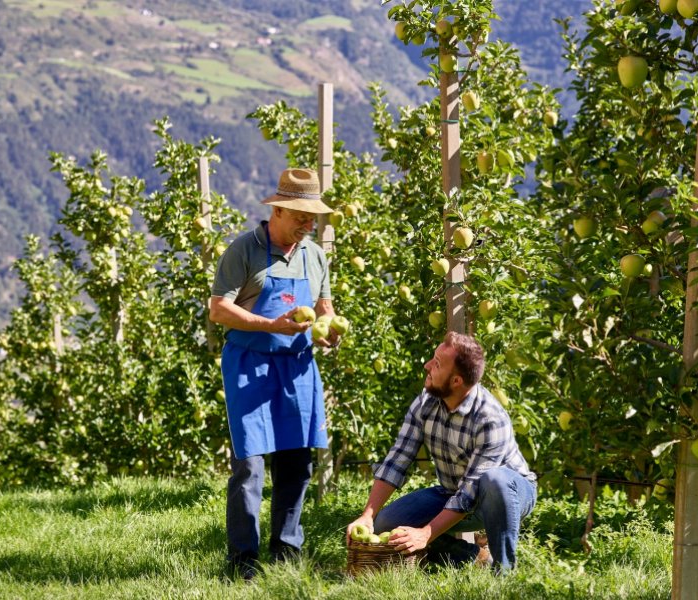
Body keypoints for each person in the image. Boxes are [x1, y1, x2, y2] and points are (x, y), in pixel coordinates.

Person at [209, 167, 341, 580]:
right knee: (249, 466)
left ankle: (286, 553)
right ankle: (243, 563)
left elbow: (324, 310)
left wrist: (330, 332)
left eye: (312, 219)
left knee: (297, 462)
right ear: (278, 210)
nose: (307, 225)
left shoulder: (315, 256)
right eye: (301, 217)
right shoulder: (244, 250)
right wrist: (272, 325)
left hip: (298, 369)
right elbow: (218, 309)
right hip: (251, 366)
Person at [346, 331, 537, 572]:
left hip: (507, 494)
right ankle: (475, 557)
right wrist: (367, 516)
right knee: (386, 525)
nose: (427, 366)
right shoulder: (426, 402)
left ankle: (504, 572)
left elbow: (471, 492)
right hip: (453, 491)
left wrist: (426, 533)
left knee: (495, 480)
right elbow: (397, 460)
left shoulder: (490, 418)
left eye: (436, 364)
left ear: (456, 381)